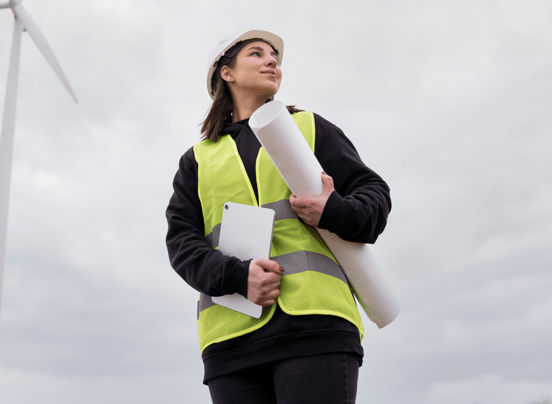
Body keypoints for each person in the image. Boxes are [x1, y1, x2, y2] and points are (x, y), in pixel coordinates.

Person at [165, 30, 391, 404]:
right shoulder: (198, 160)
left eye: (275, 57)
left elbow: (375, 201)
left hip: (316, 327)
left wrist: (332, 210)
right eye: (257, 54)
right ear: (227, 73)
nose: (273, 62)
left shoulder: (309, 129)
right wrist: (236, 276)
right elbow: (181, 244)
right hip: (231, 345)